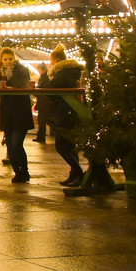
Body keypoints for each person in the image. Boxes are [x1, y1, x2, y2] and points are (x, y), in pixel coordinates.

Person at [0, 47, 33, 183]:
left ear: (14, 58)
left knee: (17, 143)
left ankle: (25, 171)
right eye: (5, 59)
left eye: (10, 59)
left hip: (20, 111)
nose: (8, 62)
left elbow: (23, 83)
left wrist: (10, 78)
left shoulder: (22, 70)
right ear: (1, 60)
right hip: (7, 112)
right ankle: (17, 172)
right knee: (10, 145)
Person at [40, 45, 85, 186]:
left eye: (51, 61)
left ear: (57, 60)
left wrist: (47, 75)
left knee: (61, 146)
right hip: (70, 112)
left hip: (63, 114)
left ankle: (79, 173)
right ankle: (74, 175)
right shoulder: (70, 72)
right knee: (70, 145)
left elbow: (46, 87)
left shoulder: (62, 73)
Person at [32, 62, 49, 143]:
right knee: (42, 120)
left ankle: (41, 136)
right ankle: (41, 136)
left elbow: (41, 89)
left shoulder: (43, 78)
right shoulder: (47, 77)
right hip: (45, 102)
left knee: (41, 120)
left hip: (43, 103)